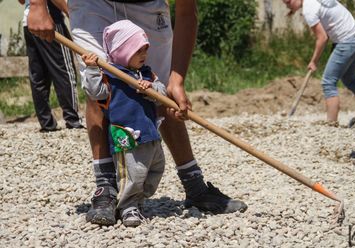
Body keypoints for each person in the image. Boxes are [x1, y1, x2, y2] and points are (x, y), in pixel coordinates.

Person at [27, 0, 247, 226]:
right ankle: (106, 189)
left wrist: (177, 80)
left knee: (158, 90)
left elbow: (186, 13)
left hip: (148, 7)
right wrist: (37, 4)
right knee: (99, 86)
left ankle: (195, 186)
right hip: (93, 3)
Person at [81, 20, 167, 227]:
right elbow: (94, 93)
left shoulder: (146, 73)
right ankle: (128, 206)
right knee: (132, 174)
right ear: (123, 51)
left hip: (150, 135)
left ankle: (136, 200)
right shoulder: (110, 75)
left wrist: (153, 89)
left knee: (156, 170)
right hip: (128, 137)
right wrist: (92, 70)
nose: (144, 55)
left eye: (145, 50)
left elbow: (162, 94)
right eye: (138, 50)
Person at [283, 0, 355, 123]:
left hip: (347, 41)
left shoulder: (309, 9)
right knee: (350, 80)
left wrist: (313, 61)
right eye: (285, 4)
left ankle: (331, 125)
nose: (287, 5)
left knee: (328, 82)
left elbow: (322, 38)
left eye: (288, 2)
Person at [20, 0, 83, 131]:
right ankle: (73, 119)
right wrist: (70, 12)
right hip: (49, 19)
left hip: (29, 22)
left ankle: (46, 123)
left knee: (38, 74)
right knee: (64, 69)